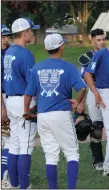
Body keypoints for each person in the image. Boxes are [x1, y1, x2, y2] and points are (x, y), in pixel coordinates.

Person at [24, 33, 86, 188]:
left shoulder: (37, 68)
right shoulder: (69, 67)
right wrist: (77, 101)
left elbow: (28, 94)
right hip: (61, 113)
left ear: (46, 48)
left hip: (43, 115)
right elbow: (82, 87)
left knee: (51, 155)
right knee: (72, 153)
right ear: (62, 47)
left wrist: (27, 110)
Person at [77, 28, 109, 171]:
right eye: (98, 39)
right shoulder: (94, 56)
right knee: (99, 128)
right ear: (92, 40)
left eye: (102, 39)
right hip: (99, 92)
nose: (101, 42)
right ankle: (103, 162)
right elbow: (85, 76)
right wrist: (92, 95)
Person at [3, 18, 39, 189]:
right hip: (23, 100)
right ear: (24, 33)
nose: (32, 33)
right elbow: (32, 84)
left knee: (15, 144)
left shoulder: (8, 52)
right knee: (25, 145)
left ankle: (15, 184)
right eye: (31, 30)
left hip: (10, 101)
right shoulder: (26, 54)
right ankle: (24, 186)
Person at [1, 24, 12, 187]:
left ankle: (4, 178)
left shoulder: (10, 52)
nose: (4, 39)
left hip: (9, 97)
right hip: (2, 99)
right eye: (2, 36)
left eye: (6, 36)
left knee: (7, 138)